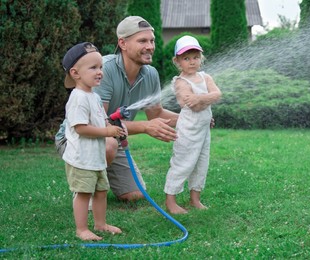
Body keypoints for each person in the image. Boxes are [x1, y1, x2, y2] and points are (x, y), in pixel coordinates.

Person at [93, 16, 178, 202]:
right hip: (83, 137)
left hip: (114, 138)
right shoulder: (104, 70)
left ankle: (100, 170)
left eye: (152, 41)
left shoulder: (151, 74)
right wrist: (145, 127)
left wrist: (193, 118)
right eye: (142, 41)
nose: (150, 46)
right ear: (123, 43)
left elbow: (156, 114)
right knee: (109, 144)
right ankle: (87, 192)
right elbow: (99, 123)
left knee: (135, 195)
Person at [62, 42, 124, 240]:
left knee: (101, 191)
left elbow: (100, 119)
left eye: (100, 67)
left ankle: (100, 224)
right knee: (83, 193)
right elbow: (80, 128)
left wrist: (114, 129)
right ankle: (81, 229)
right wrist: (106, 131)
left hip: (95, 158)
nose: (99, 72)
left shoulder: (93, 96)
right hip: (81, 159)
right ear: (75, 73)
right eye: (93, 67)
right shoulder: (78, 98)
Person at [164, 36, 222, 214]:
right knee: (183, 163)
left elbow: (218, 94)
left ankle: (195, 199)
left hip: (204, 130)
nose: (192, 62)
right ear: (177, 61)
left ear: (201, 58)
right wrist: (205, 99)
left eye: (195, 57)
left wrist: (200, 98)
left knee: (201, 163)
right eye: (186, 58)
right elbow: (194, 106)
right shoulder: (181, 82)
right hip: (188, 131)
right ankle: (170, 201)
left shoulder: (205, 77)